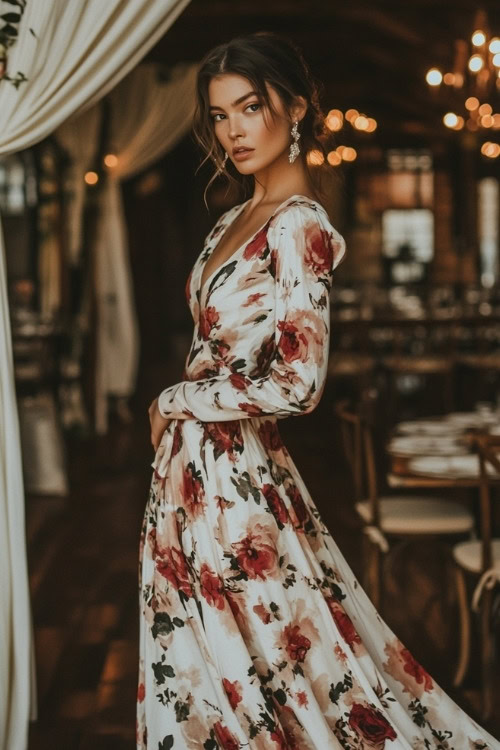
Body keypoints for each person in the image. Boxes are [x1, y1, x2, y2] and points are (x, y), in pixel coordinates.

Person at [137, 32, 499, 750]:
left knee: (268, 670)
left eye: (249, 107)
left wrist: (174, 400)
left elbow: (298, 384)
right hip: (189, 476)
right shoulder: (229, 221)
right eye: (218, 115)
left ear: (295, 109)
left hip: (237, 481)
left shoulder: (299, 225)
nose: (233, 129)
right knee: (200, 669)